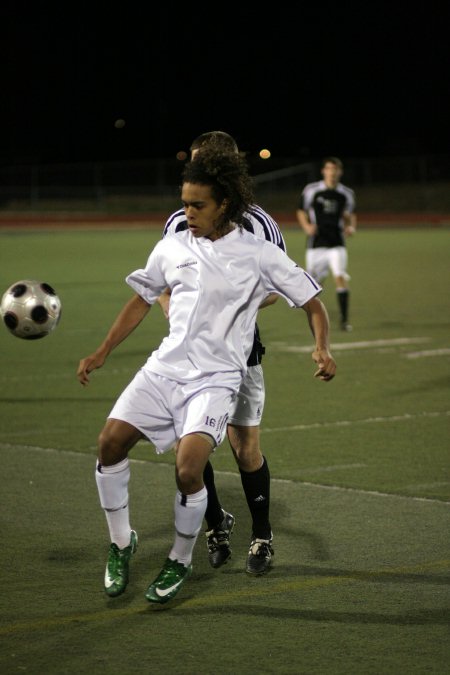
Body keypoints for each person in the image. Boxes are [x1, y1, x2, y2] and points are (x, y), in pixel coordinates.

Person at [77, 146, 336, 605]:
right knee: (109, 443)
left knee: (188, 467)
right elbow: (142, 298)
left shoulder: (258, 253)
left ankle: (179, 558)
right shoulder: (172, 244)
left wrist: (321, 347)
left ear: (225, 205)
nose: (187, 213)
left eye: (198, 205)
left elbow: (312, 301)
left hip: (217, 379)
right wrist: (102, 351)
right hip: (165, 367)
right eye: (184, 202)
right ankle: (121, 543)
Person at [160, 130, 287, 576]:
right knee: (189, 448)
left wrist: (230, 303)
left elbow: (278, 287)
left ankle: (262, 536)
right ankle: (217, 524)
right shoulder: (179, 222)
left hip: (239, 354)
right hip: (188, 356)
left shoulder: (260, 224)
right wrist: (177, 315)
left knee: (244, 446)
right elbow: (162, 284)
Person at [296, 156, 357, 332]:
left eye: (335, 169)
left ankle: (344, 321)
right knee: (314, 284)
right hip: (316, 243)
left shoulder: (346, 193)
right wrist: (307, 226)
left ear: (340, 172)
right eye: (329, 168)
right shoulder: (312, 190)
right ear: (324, 171)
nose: (332, 172)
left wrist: (351, 226)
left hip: (337, 242)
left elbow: (350, 214)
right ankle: (313, 316)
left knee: (340, 276)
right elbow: (301, 210)